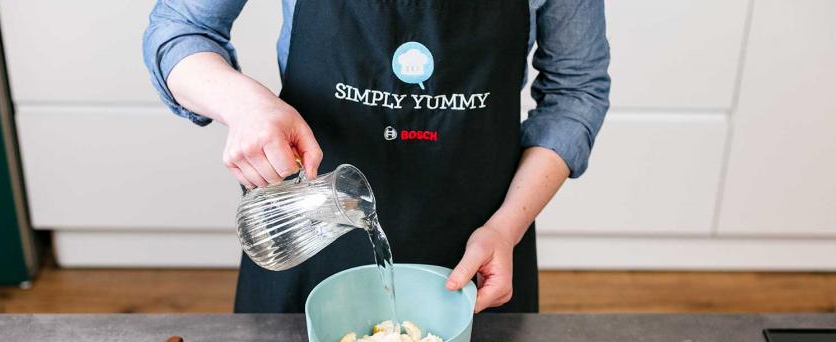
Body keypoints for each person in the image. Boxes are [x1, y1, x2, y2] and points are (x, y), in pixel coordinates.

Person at [143, 0, 610, 313]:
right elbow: (180, 28)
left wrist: (506, 226)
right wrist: (243, 103)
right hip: (308, 229)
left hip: (479, 251)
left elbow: (575, 91)